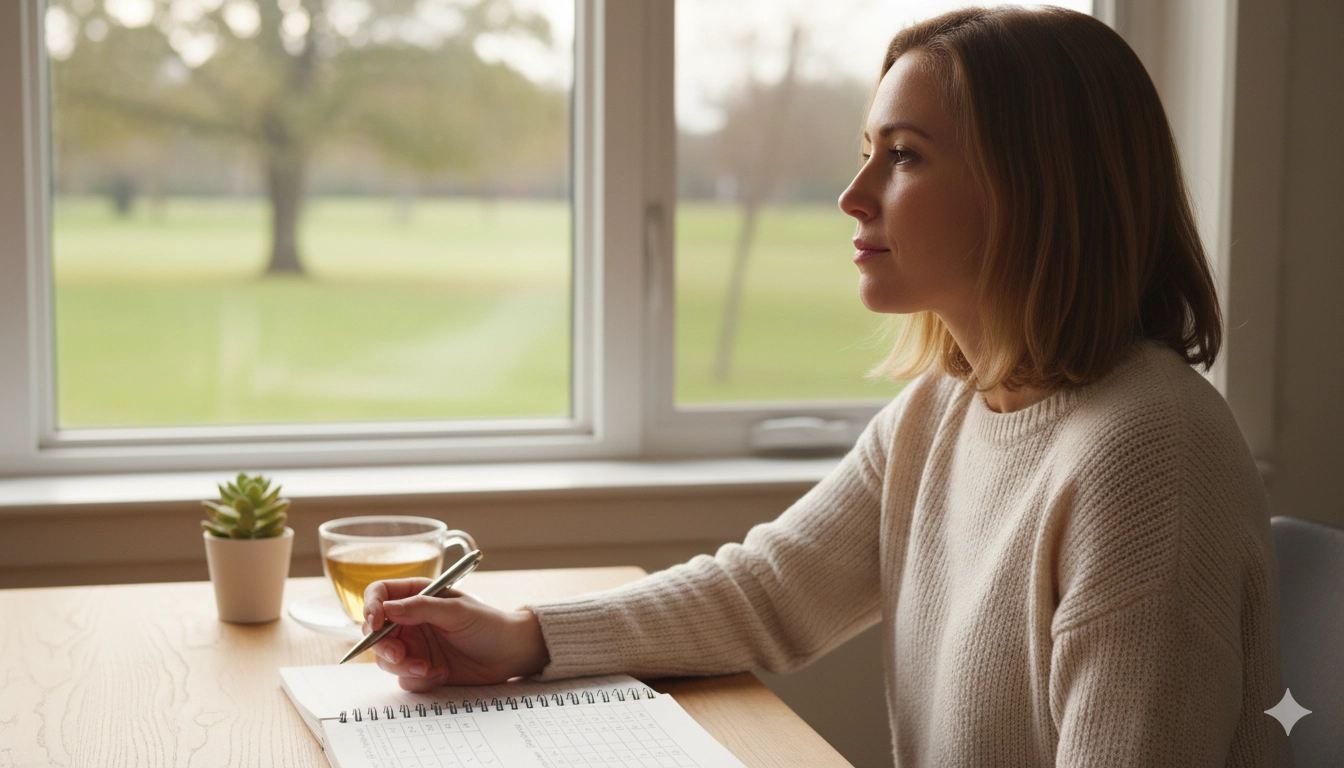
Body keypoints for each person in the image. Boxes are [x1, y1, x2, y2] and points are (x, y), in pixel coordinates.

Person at [361, 7, 1292, 766]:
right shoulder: (942, 410)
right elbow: (766, 593)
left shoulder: (1148, 454)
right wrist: (522, 635)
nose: (854, 194)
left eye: (905, 155)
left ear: (1037, 187)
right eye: (867, 149)